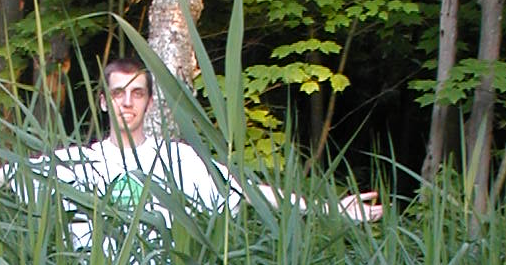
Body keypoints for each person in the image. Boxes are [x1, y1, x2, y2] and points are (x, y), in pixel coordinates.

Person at [68, 56, 383, 226]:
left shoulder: (176, 159)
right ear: (103, 102)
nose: (127, 102)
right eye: (118, 93)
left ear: (149, 103)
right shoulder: (77, 164)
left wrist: (328, 208)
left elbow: (249, 192)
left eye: (137, 93)